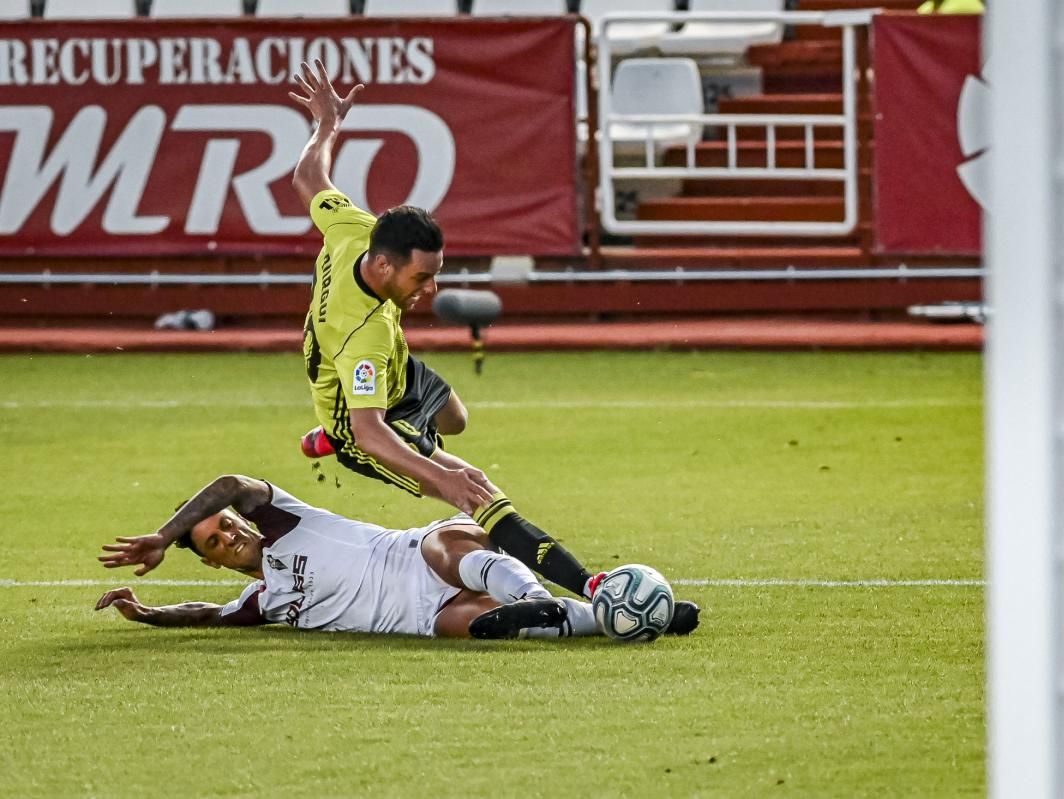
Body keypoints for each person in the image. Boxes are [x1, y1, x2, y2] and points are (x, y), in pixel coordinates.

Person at [285, 60, 699, 634]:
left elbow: (309, 180)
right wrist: (445, 481)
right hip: (363, 418)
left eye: (437, 274)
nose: (432, 290)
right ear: (383, 265)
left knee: (455, 418)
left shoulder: (355, 229)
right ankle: (599, 595)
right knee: (476, 485)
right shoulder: (363, 337)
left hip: (396, 375)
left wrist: (326, 126)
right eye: (421, 278)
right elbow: (374, 431)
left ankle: (349, 435)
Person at [95, 475, 604, 640]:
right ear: (212, 563)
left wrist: (165, 536)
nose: (228, 536)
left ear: (242, 519)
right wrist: (146, 613)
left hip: (421, 553)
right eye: (214, 542)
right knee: (478, 627)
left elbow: (229, 484)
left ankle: (539, 599)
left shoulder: (285, 521)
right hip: (425, 617)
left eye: (226, 524)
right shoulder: (265, 603)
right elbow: (205, 614)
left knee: (443, 550)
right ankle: (617, 618)